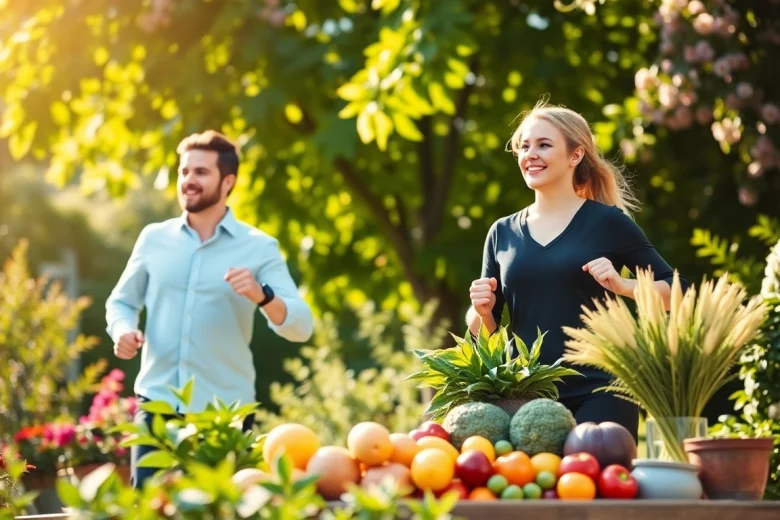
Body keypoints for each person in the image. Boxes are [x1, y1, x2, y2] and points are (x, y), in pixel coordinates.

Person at [466, 101, 687, 440]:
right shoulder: (502, 233)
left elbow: (679, 293)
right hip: (527, 397)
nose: (530, 154)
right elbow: (485, 337)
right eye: (524, 146)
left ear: (575, 155)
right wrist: (481, 311)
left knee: (590, 469)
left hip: (600, 391)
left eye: (543, 145)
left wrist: (624, 285)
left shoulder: (608, 222)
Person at [105, 130, 314, 488]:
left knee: (221, 508)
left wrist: (263, 296)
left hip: (224, 413)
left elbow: (302, 326)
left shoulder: (259, 247)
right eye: (184, 171)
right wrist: (122, 330)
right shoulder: (154, 238)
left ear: (227, 181)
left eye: (201, 172)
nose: (188, 180)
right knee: (149, 506)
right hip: (157, 404)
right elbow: (122, 302)